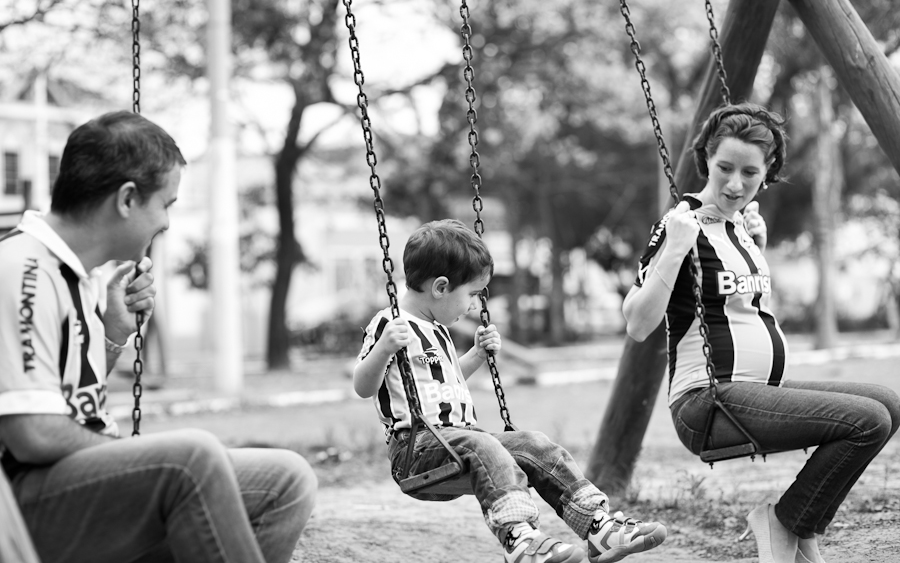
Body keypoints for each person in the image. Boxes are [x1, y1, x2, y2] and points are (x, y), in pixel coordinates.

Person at [0, 111, 317, 563]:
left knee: (285, 479)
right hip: (21, 506)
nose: (167, 222)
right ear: (127, 199)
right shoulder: (22, 271)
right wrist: (131, 457)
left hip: (64, 484)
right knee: (190, 458)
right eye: (166, 204)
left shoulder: (78, 275)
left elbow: (69, 398)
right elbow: (32, 433)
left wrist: (111, 335)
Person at [622, 102, 900, 563]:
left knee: (888, 404)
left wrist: (758, 247)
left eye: (749, 172)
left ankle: (800, 524)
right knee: (866, 421)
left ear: (768, 171)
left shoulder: (742, 226)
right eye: (724, 168)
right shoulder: (680, 224)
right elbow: (637, 324)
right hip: (708, 401)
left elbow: (741, 309)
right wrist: (673, 250)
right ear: (706, 161)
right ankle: (787, 521)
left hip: (756, 392)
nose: (735, 184)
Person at [354, 219, 667, 563]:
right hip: (417, 450)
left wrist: (476, 355)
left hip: (459, 440)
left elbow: (448, 380)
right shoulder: (390, 324)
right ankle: (520, 538)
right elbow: (363, 385)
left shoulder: (438, 330)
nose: (473, 305)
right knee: (482, 442)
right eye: (472, 294)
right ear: (441, 288)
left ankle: (599, 526)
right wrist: (383, 349)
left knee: (534, 443)